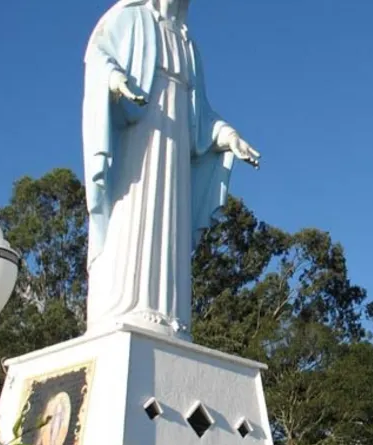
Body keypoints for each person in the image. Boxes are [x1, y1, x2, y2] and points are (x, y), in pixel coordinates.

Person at [81, 0, 260, 340]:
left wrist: (228, 136)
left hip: (175, 149)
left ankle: (168, 314)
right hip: (140, 135)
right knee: (132, 214)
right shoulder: (129, 18)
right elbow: (97, 55)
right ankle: (123, 306)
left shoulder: (188, 43)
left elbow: (200, 116)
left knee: (169, 226)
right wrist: (116, 79)